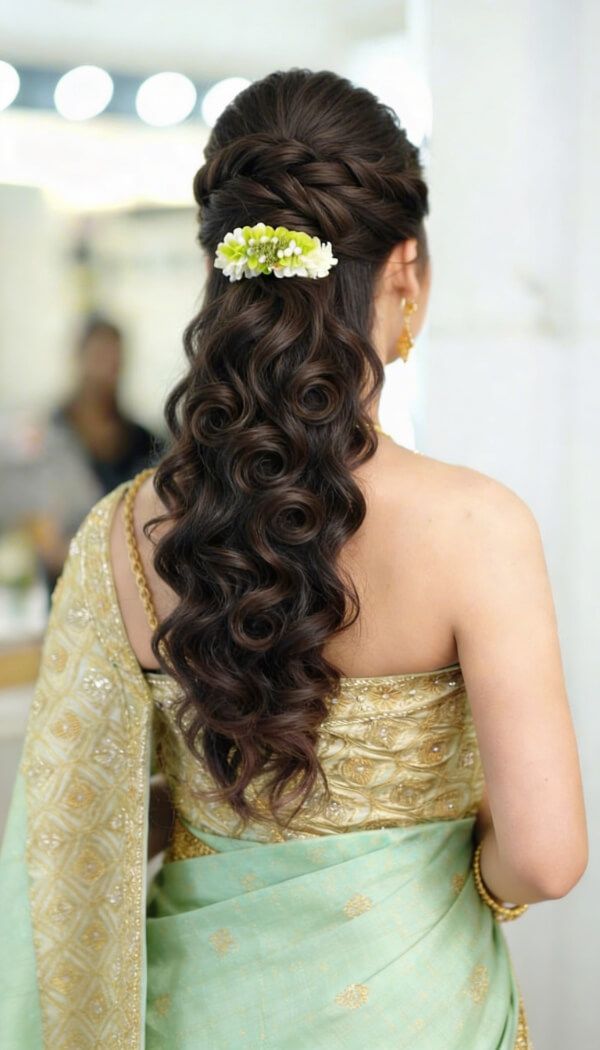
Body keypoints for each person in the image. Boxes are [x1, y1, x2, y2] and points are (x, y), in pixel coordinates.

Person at [0, 69, 587, 1049]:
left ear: (221, 272)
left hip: (198, 1010)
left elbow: (75, 835)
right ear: (405, 272)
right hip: (417, 1008)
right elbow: (547, 856)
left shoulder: (123, 532)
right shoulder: (478, 528)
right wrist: (440, 879)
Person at [38, 315, 163, 590]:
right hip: (69, 592)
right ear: (79, 358)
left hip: (130, 594)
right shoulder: (50, 437)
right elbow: (48, 545)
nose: (107, 369)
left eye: (114, 358)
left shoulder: (145, 441)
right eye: (99, 357)